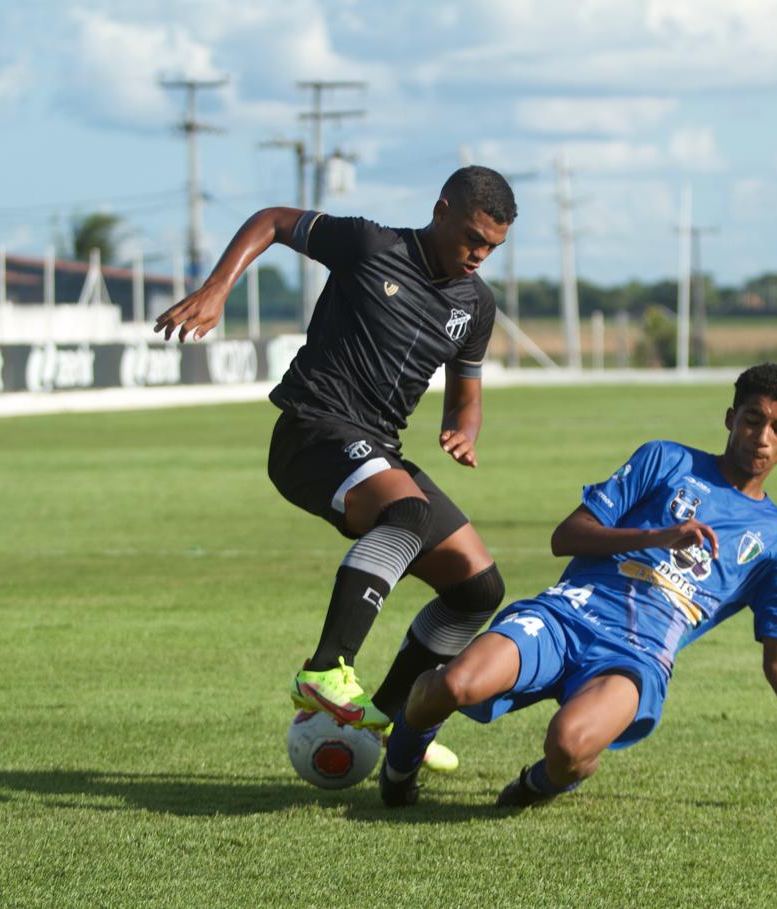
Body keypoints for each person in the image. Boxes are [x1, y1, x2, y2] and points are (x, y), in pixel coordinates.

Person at [379, 364, 777, 808]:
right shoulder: (665, 460)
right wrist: (660, 535)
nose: (762, 437)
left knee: (570, 748)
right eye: (753, 420)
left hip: (638, 658)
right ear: (731, 419)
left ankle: (535, 787)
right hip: (568, 613)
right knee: (453, 685)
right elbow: (567, 537)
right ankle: (399, 768)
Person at [153, 167, 518, 772]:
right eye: (474, 238)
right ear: (442, 208)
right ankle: (325, 669)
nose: (480, 255)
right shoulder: (372, 246)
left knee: (478, 587)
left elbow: (466, 387)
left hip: (379, 447)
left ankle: (395, 716)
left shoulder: (475, 304)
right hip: (311, 431)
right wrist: (217, 288)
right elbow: (271, 221)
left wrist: (466, 426)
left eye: (493, 248)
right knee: (408, 511)